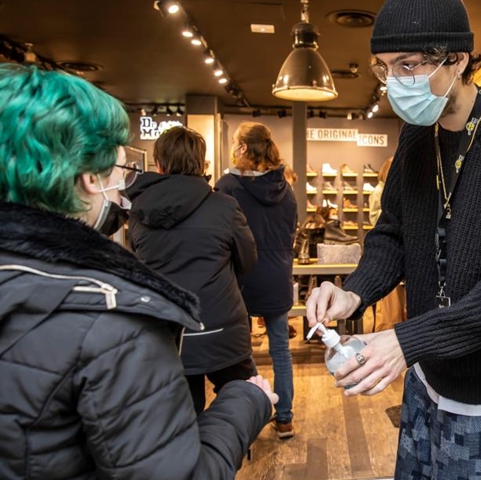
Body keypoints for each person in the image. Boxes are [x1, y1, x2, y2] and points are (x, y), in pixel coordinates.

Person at [0, 63, 277, 479]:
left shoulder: (129, 227)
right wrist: (247, 402)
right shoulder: (115, 321)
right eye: (119, 165)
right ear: (91, 176)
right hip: (223, 330)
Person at [305, 0, 481, 478]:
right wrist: (354, 291)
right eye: (386, 68)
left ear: (457, 60)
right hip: (422, 374)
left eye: (409, 66)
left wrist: (407, 339)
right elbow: (392, 233)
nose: (395, 83)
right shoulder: (416, 135)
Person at [126, 126, 259, 415]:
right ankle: (228, 453)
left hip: (168, 333)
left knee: (184, 417)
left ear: (159, 164)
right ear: (201, 163)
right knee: (241, 402)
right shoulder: (224, 207)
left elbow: (137, 268)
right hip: (223, 328)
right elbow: (247, 259)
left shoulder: (138, 212)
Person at [216, 122, 297, 439]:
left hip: (240, 278)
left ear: (244, 148)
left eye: (236, 142)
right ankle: (285, 418)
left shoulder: (227, 187)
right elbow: (290, 232)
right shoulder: (286, 189)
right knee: (281, 351)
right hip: (277, 276)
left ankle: (247, 418)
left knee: (240, 354)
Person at [368, 157, 406, 332]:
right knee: (390, 298)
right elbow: (378, 219)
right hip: (389, 236)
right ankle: (390, 326)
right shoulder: (379, 191)